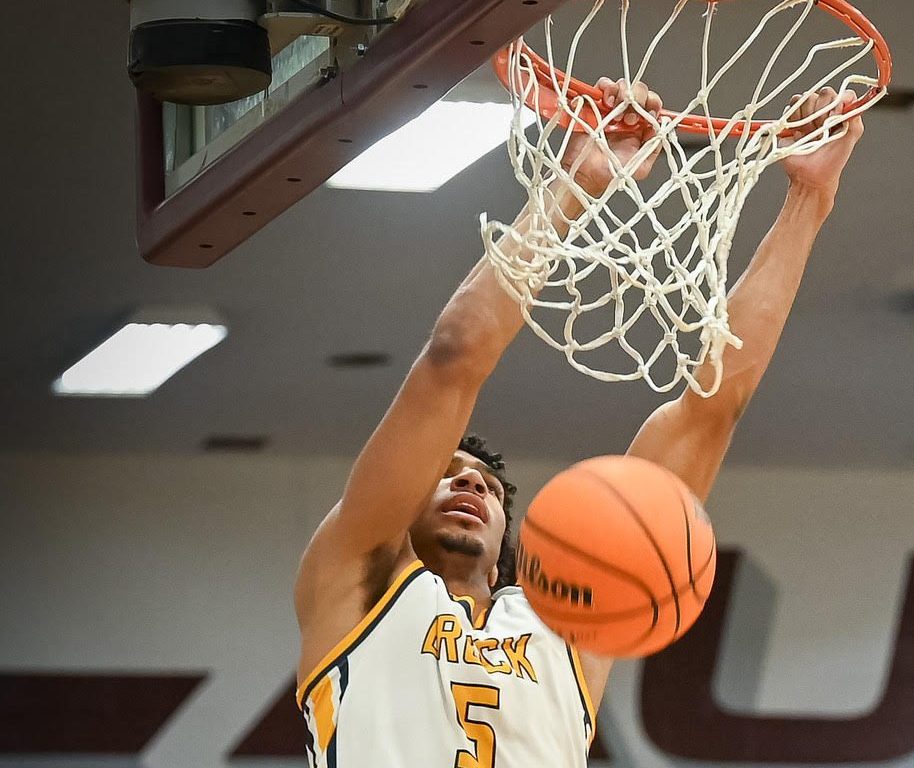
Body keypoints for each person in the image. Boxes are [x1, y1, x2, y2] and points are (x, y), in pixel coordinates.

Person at [293, 79, 866, 767]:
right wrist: (577, 182)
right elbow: (455, 355)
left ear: (511, 530)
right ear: (398, 502)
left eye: (486, 484)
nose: (468, 485)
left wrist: (809, 199)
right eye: (445, 475)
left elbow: (711, 407)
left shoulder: (571, 625)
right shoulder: (353, 579)